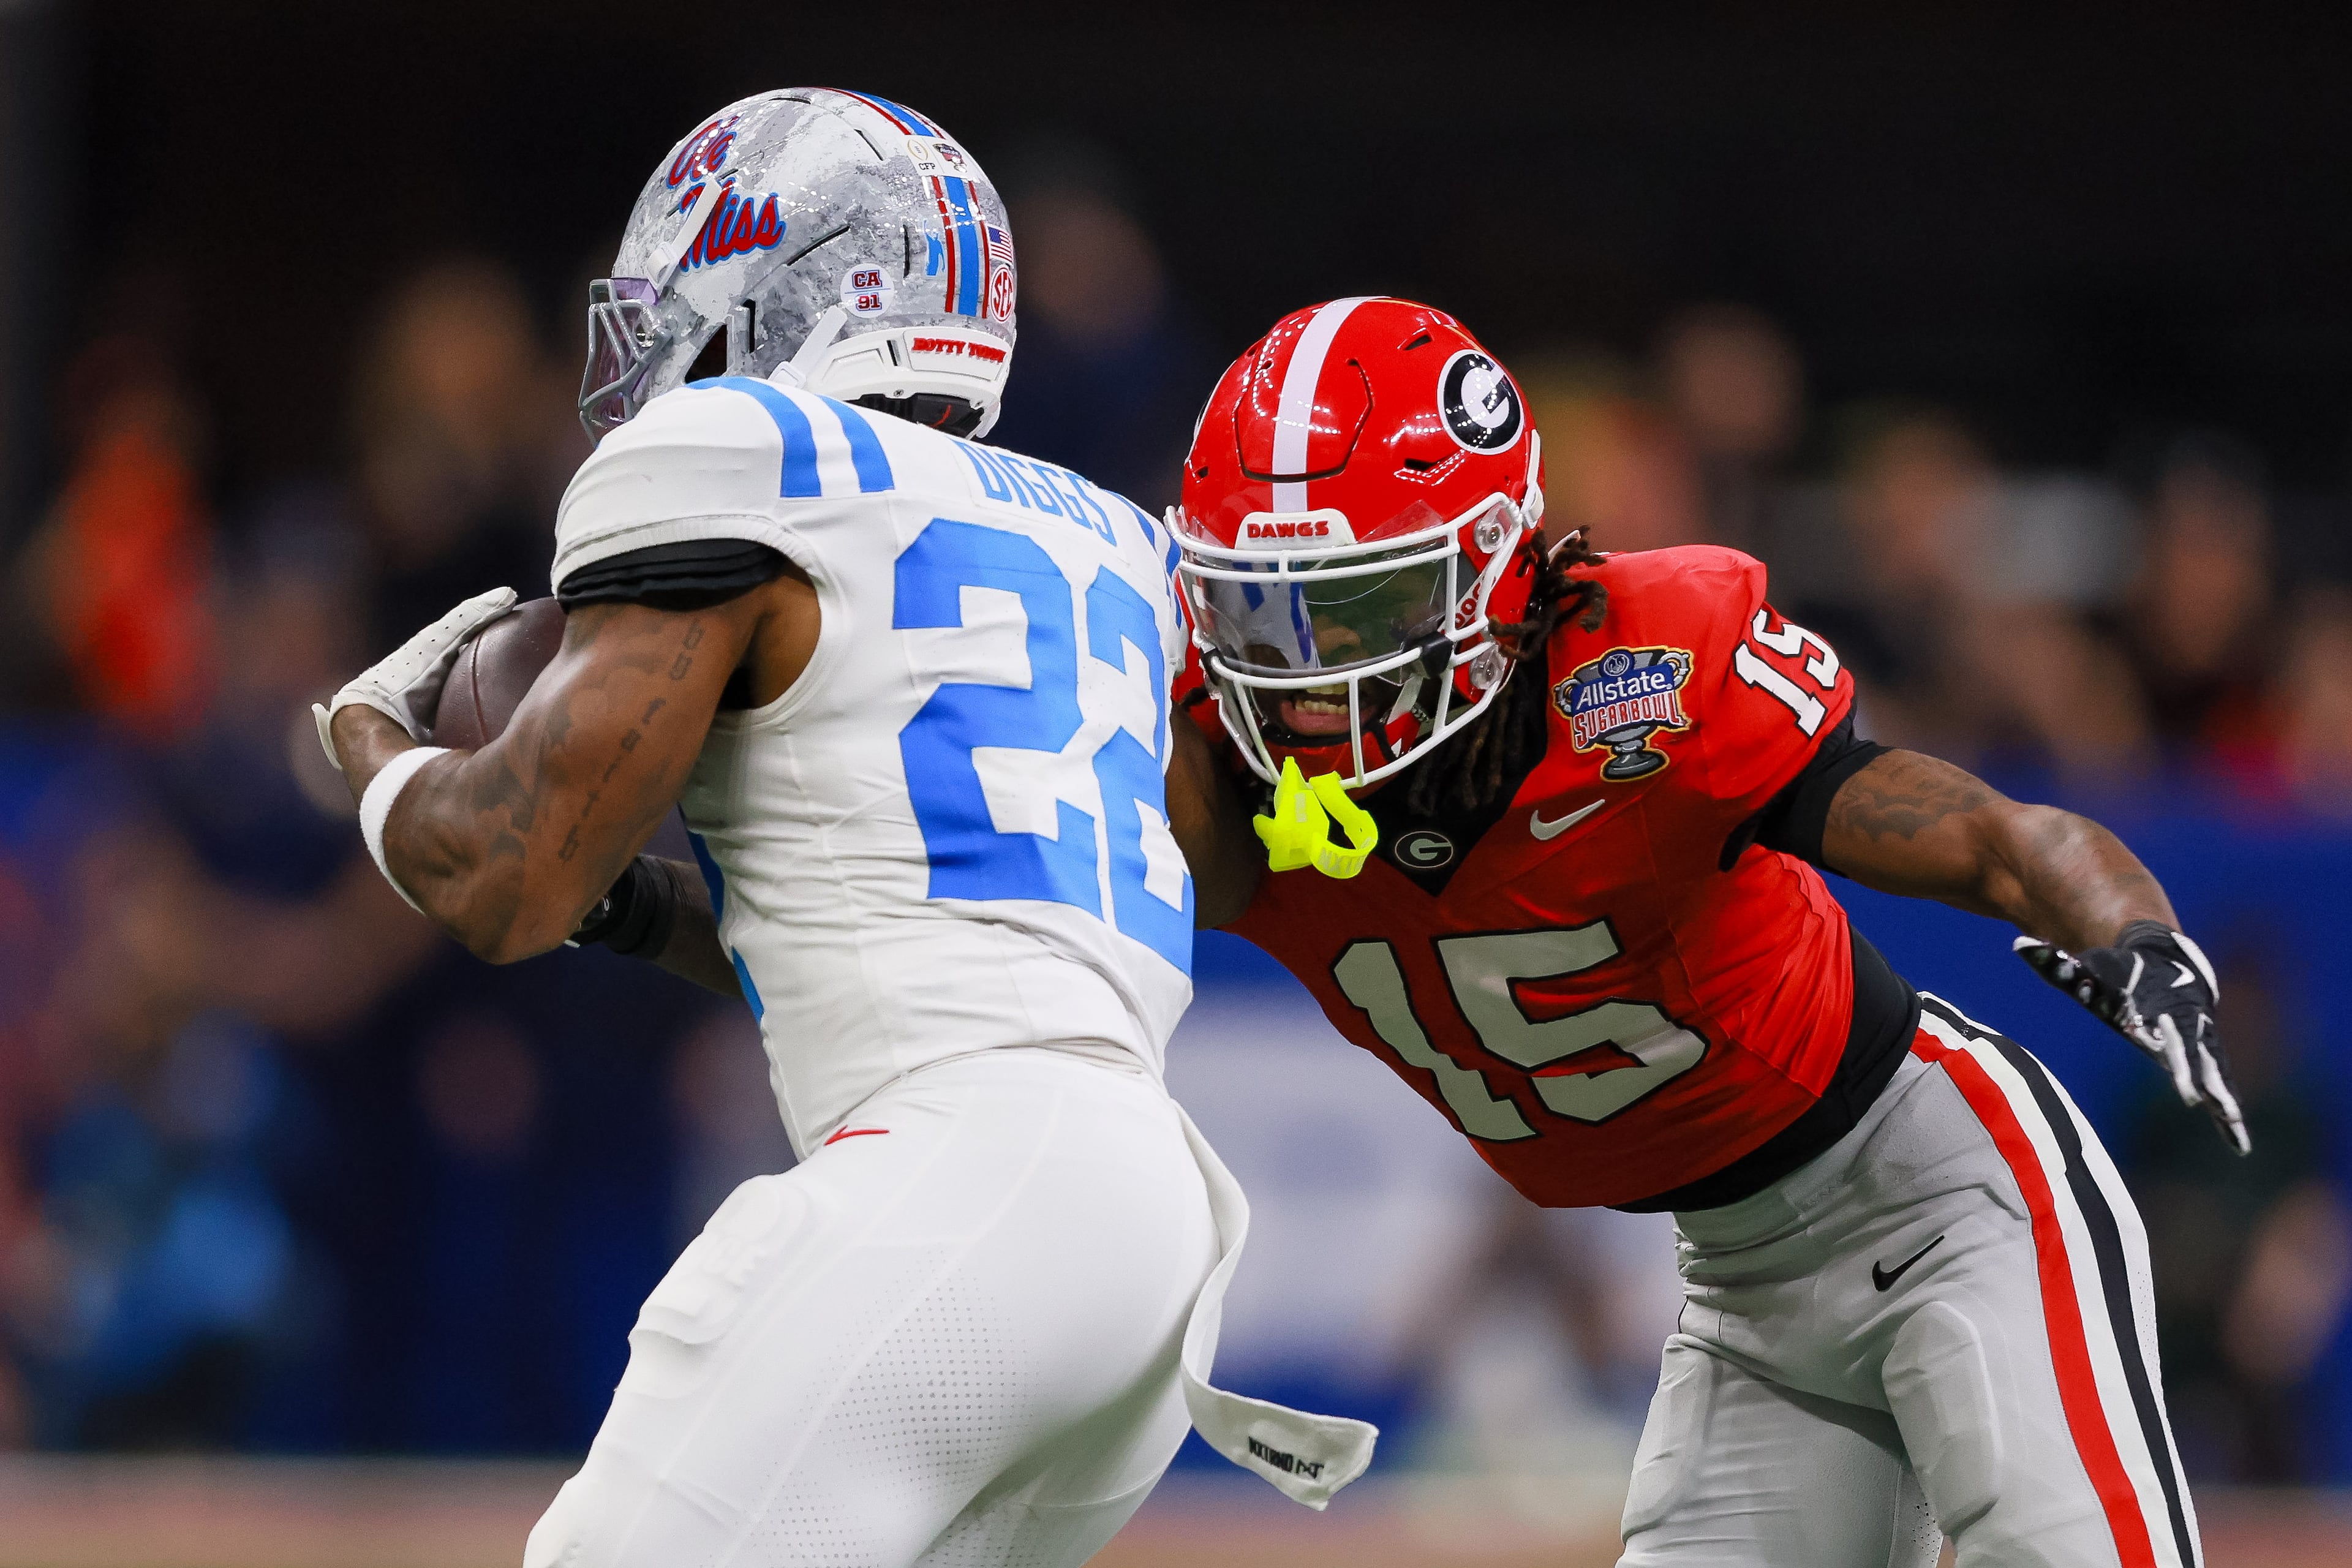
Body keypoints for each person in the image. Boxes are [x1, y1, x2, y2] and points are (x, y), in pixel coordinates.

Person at [313, 91, 1368, 1568]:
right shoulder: (1111, 535)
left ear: (784, 288)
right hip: (1142, 1237)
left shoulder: (743, 456)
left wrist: (372, 750)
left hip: (954, 1189)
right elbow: (904, 920)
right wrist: (628, 901)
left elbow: (503, 880)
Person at [1159, 296, 2246, 1567]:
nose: (1305, 674)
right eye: (1261, 612)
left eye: (1358, 608)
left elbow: (1991, 832)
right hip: (1739, 1289)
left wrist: (2133, 928)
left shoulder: (1638, 679)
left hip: (1950, 1196)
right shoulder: (1207, 782)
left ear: (1498, 559)